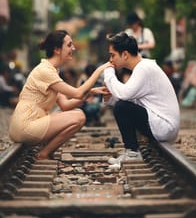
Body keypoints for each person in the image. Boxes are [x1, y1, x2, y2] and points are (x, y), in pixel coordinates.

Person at [9, 29, 112, 160]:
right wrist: (99, 70)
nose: (73, 48)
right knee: (79, 116)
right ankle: (44, 154)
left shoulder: (52, 71)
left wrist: (89, 93)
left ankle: (46, 152)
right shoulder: (45, 71)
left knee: (76, 114)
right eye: (69, 45)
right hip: (26, 125)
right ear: (57, 49)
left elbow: (65, 105)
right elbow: (78, 93)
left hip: (29, 123)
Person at [103, 32, 180, 166]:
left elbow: (124, 95)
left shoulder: (144, 69)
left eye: (112, 55)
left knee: (122, 107)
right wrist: (110, 98)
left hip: (164, 126)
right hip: (162, 124)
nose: (110, 60)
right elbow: (130, 99)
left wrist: (108, 73)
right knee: (122, 106)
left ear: (125, 54)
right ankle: (131, 151)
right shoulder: (143, 67)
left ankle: (132, 152)